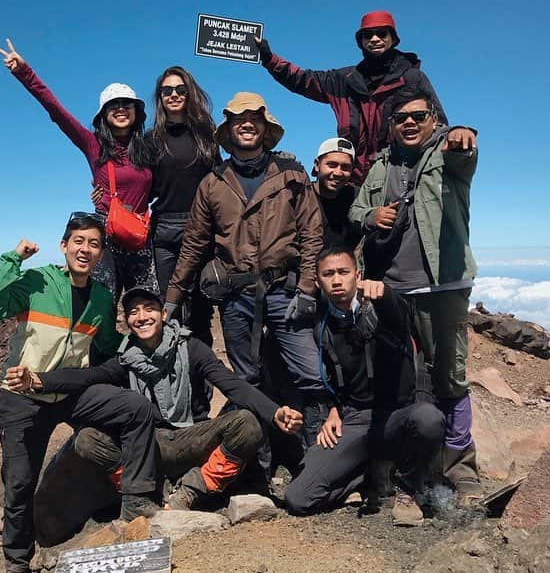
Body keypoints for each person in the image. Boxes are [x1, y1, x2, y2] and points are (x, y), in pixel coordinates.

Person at [5, 286, 304, 511]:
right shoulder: (125, 359)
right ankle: (149, 493)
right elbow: (86, 377)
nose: (141, 316)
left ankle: (192, 490)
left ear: (163, 314)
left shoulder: (192, 348)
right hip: (147, 448)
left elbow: (232, 384)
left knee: (248, 424)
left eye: (148, 308)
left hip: (192, 436)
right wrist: (39, 380)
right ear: (128, 321)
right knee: (86, 440)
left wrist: (274, 412)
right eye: (133, 312)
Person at [0, 214, 162, 573]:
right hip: (23, 394)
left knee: (135, 409)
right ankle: (17, 561)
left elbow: (108, 343)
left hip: (70, 391)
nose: (86, 249)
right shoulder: (37, 281)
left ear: (100, 253)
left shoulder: (101, 296)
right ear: (64, 246)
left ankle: (138, 502)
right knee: (19, 482)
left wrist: (148, 338)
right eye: (79, 242)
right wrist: (12, 259)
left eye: (94, 244)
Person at [164, 92, 326, 448]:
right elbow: (193, 244)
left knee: (310, 374)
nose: (247, 125)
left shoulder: (292, 176)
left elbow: (312, 234)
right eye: (239, 120)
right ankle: (257, 464)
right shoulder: (213, 182)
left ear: (265, 129)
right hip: (237, 296)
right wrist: (173, 299)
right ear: (230, 129)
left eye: (254, 119)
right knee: (246, 380)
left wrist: (308, 288)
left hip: (286, 290)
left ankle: (319, 457)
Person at [348, 89, 481, 505]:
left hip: (443, 286)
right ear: (391, 126)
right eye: (401, 118)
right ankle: (403, 467)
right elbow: (356, 211)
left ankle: (461, 470)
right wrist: (372, 216)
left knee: (450, 377)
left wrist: (461, 134)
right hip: (390, 288)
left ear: (433, 119)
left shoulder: (446, 153)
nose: (409, 123)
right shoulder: (382, 165)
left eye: (418, 116)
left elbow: (466, 155)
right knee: (395, 379)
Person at [283, 247, 444, 526]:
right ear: (318, 281)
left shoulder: (380, 307)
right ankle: (363, 475)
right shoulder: (321, 325)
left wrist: (385, 294)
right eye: (328, 274)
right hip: (356, 420)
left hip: (398, 415)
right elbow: (328, 379)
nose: (336, 280)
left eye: (343, 272)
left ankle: (406, 487)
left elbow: (400, 318)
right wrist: (333, 410)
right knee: (298, 498)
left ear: (357, 276)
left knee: (428, 419)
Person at [0, 38, 158, 300]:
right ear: (103, 114)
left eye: (126, 105)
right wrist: (24, 72)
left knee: (145, 303)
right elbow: (57, 112)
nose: (120, 110)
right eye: (112, 106)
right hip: (105, 237)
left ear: (136, 112)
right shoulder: (93, 145)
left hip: (140, 235)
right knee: (101, 304)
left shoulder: (148, 148)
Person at [255, 11, 476, 184]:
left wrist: (458, 132)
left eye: (382, 33)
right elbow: (303, 80)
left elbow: (437, 123)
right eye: (368, 35)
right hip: (352, 182)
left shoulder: (413, 78)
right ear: (360, 42)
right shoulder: (342, 80)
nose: (375, 39)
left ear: (393, 39)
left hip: (399, 180)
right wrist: (269, 59)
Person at [147, 66, 221, 347]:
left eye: (180, 89)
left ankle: (200, 385)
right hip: (164, 230)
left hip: (202, 226)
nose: (174, 95)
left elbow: (220, 179)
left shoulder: (207, 135)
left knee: (201, 308)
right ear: (160, 97)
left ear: (190, 94)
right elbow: (140, 184)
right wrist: (103, 193)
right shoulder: (150, 139)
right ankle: (175, 381)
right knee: (169, 306)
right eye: (167, 91)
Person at [313, 137, 361, 250]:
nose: (338, 173)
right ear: (317, 165)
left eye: (345, 167)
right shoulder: (303, 197)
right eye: (332, 165)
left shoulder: (356, 197)